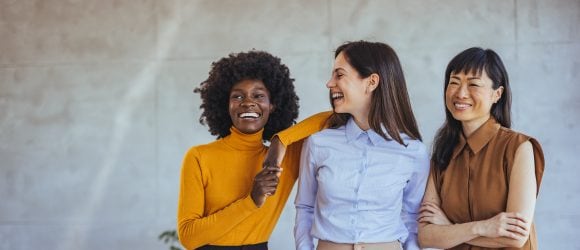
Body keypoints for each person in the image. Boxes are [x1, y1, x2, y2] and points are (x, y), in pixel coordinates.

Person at [177, 50, 330, 250]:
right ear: (227, 105)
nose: (248, 102)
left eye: (258, 95)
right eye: (238, 96)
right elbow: (188, 237)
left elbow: (332, 117)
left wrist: (279, 142)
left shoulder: (285, 157)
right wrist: (251, 201)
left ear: (273, 105)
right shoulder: (199, 156)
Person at [293, 41, 430, 250]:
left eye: (339, 75)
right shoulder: (319, 143)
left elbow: (412, 218)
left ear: (372, 82)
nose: (329, 83)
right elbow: (304, 207)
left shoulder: (412, 151)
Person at [417, 47, 545, 250]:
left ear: (497, 94)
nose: (461, 93)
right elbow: (426, 236)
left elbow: (515, 238)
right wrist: (482, 228)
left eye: (474, 84)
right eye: (454, 82)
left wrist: (450, 229)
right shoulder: (442, 152)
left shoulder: (519, 148)